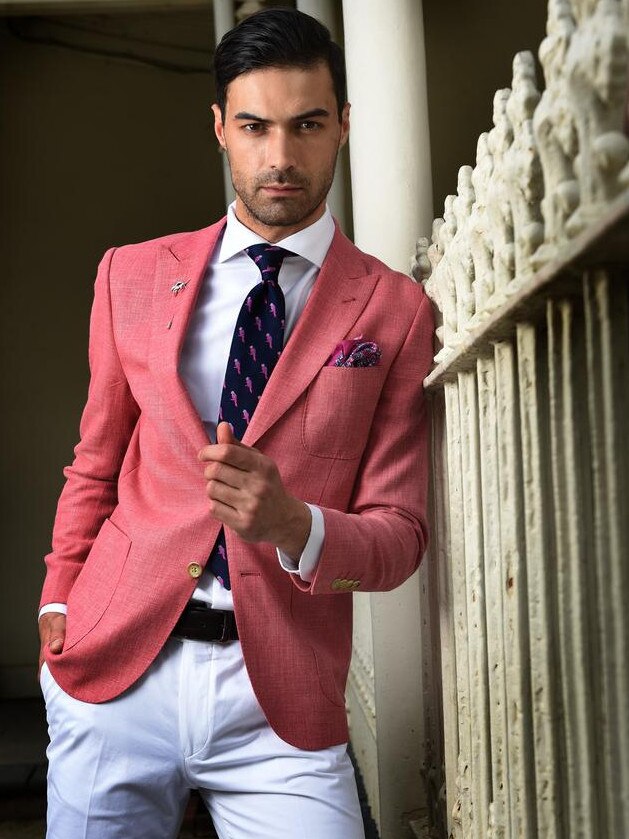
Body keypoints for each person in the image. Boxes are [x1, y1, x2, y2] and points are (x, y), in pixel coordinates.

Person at [38, 7, 434, 838]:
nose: (280, 157)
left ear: (344, 127)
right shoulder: (132, 276)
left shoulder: (394, 311)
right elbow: (94, 463)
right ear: (220, 127)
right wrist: (57, 604)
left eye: (307, 125)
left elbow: (400, 537)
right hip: (114, 673)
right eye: (254, 126)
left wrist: (295, 523)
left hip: (280, 702)